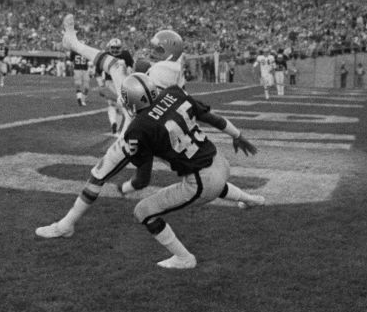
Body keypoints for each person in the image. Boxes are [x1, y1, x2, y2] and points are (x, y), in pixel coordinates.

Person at [35, 73, 265, 269]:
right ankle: (251, 199)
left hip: (202, 180)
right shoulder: (174, 93)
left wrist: (125, 187)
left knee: (143, 211)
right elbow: (209, 117)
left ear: (130, 102)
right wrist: (237, 135)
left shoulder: (139, 128)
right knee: (215, 184)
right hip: (220, 162)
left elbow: (143, 179)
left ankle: (184, 258)